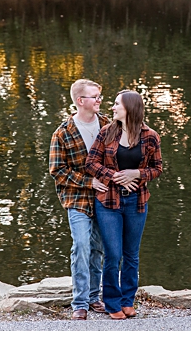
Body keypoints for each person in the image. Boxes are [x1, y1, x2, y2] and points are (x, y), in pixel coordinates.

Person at [90, 90, 164, 320]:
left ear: (130, 108)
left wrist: (136, 173)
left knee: (131, 254)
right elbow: (91, 162)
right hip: (108, 202)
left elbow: (157, 169)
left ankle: (127, 301)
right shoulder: (107, 132)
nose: (112, 108)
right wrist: (114, 176)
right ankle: (112, 303)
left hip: (137, 202)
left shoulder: (150, 136)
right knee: (113, 254)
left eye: (116, 104)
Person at [47, 79, 109, 321]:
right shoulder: (63, 132)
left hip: (105, 197)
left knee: (99, 249)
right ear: (81, 101)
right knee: (81, 246)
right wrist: (88, 182)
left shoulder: (108, 124)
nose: (99, 100)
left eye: (100, 96)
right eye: (95, 96)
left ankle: (95, 297)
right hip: (77, 199)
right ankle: (80, 303)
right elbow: (57, 171)